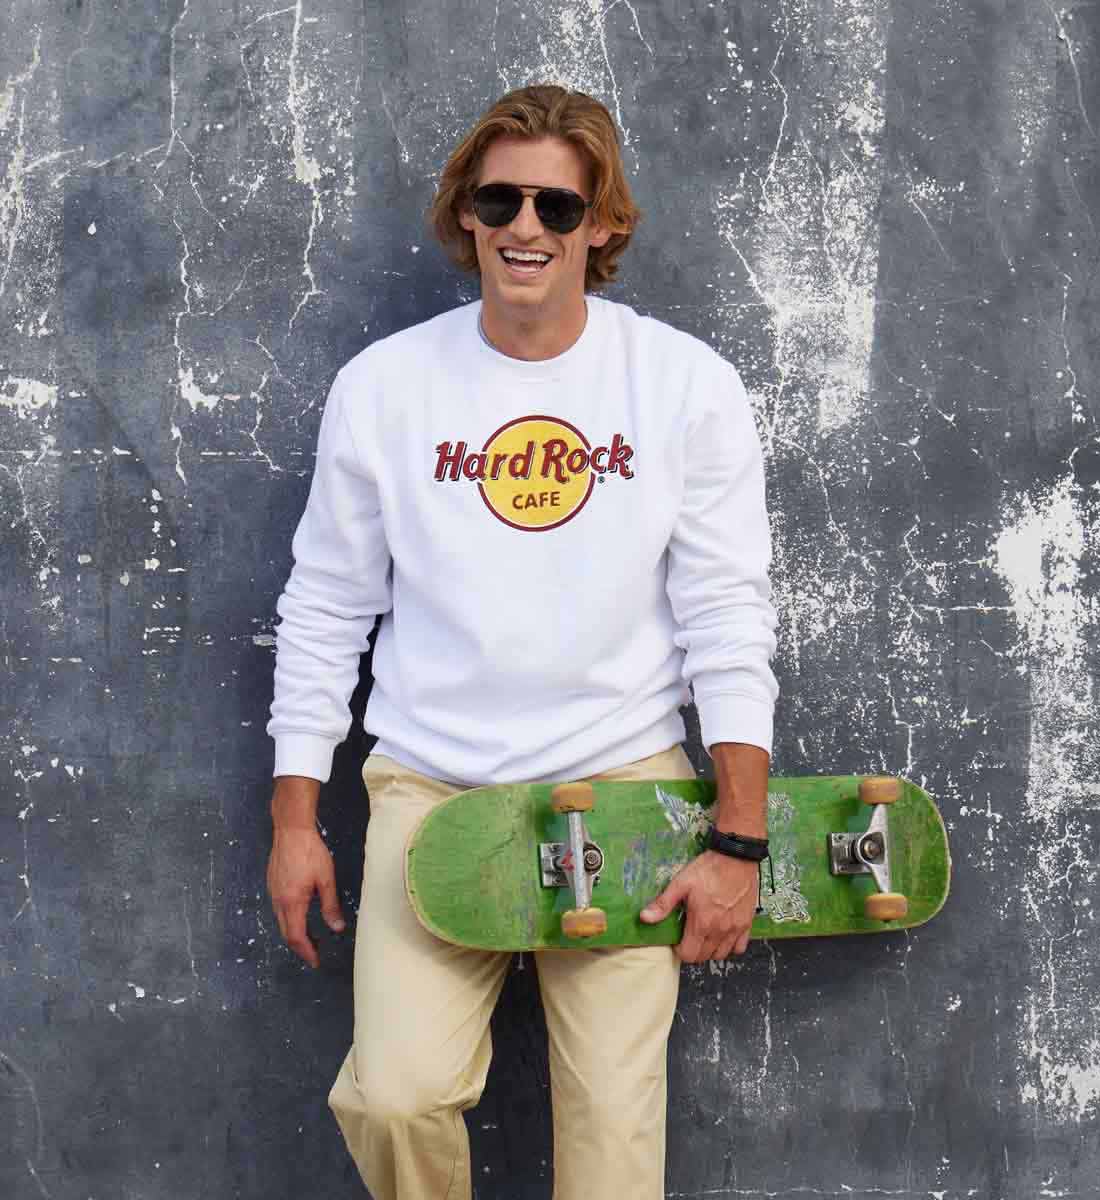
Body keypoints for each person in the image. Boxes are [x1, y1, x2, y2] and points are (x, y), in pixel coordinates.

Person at [265, 83, 779, 1200]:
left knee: (612, 1141)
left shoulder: (683, 385)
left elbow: (728, 616)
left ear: (602, 223)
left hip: (625, 789)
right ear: (468, 214)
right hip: (433, 788)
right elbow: (326, 608)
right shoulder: (385, 388)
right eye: (500, 201)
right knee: (393, 1096)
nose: (526, 227)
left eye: (558, 205)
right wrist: (295, 818)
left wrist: (738, 842)